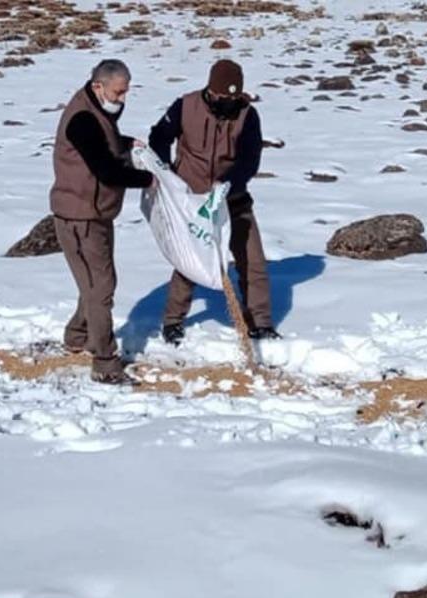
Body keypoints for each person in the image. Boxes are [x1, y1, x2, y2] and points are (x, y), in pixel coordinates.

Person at [149, 59, 280, 345]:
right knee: (191, 261)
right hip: (192, 201)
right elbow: (159, 137)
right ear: (210, 90)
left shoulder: (248, 115)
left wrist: (230, 182)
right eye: (223, 98)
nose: (228, 104)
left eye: (234, 98)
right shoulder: (185, 106)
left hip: (232, 198)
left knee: (252, 260)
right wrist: (167, 172)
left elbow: (249, 158)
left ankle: (260, 322)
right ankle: (173, 322)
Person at [49, 59, 154, 385]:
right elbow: (105, 169)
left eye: (125, 93)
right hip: (78, 218)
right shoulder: (82, 119)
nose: (122, 99)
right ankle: (105, 363)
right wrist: (147, 179)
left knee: (95, 284)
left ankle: (77, 335)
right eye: (118, 92)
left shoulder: (96, 114)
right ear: (98, 86)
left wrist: (124, 144)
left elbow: (103, 146)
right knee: (100, 289)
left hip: (97, 214)